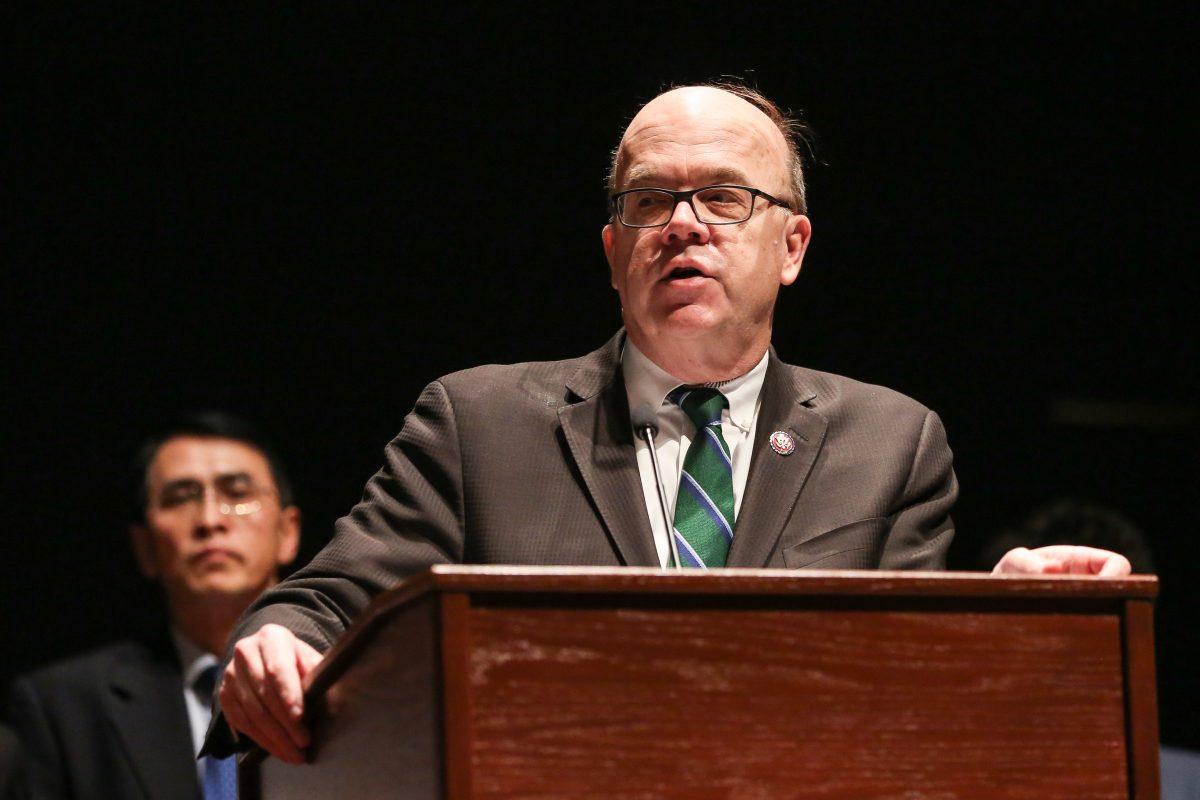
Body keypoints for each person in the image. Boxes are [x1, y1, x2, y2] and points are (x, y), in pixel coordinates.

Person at [207, 82, 1132, 764]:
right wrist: (278, 641)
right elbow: (319, 605)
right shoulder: (478, 422)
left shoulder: (890, 442)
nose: (683, 224)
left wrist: (1000, 619)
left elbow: (899, 699)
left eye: (726, 197)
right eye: (650, 200)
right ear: (614, 252)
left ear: (793, 247)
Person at [5, 412, 301, 800]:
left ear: (287, 532)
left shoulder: (358, 673)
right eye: (180, 497)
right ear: (144, 547)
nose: (210, 520)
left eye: (237, 494)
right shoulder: (63, 708)